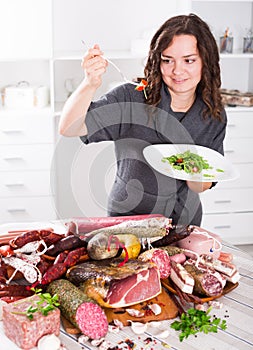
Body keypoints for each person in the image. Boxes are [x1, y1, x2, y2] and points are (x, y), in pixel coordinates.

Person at [59, 13, 227, 226]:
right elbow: (69, 127)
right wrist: (90, 83)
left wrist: (191, 168)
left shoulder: (213, 113)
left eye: (189, 60)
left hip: (183, 223)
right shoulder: (132, 97)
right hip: (127, 220)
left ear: (206, 60)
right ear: (158, 61)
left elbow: (201, 185)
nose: (177, 70)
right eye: (168, 60)